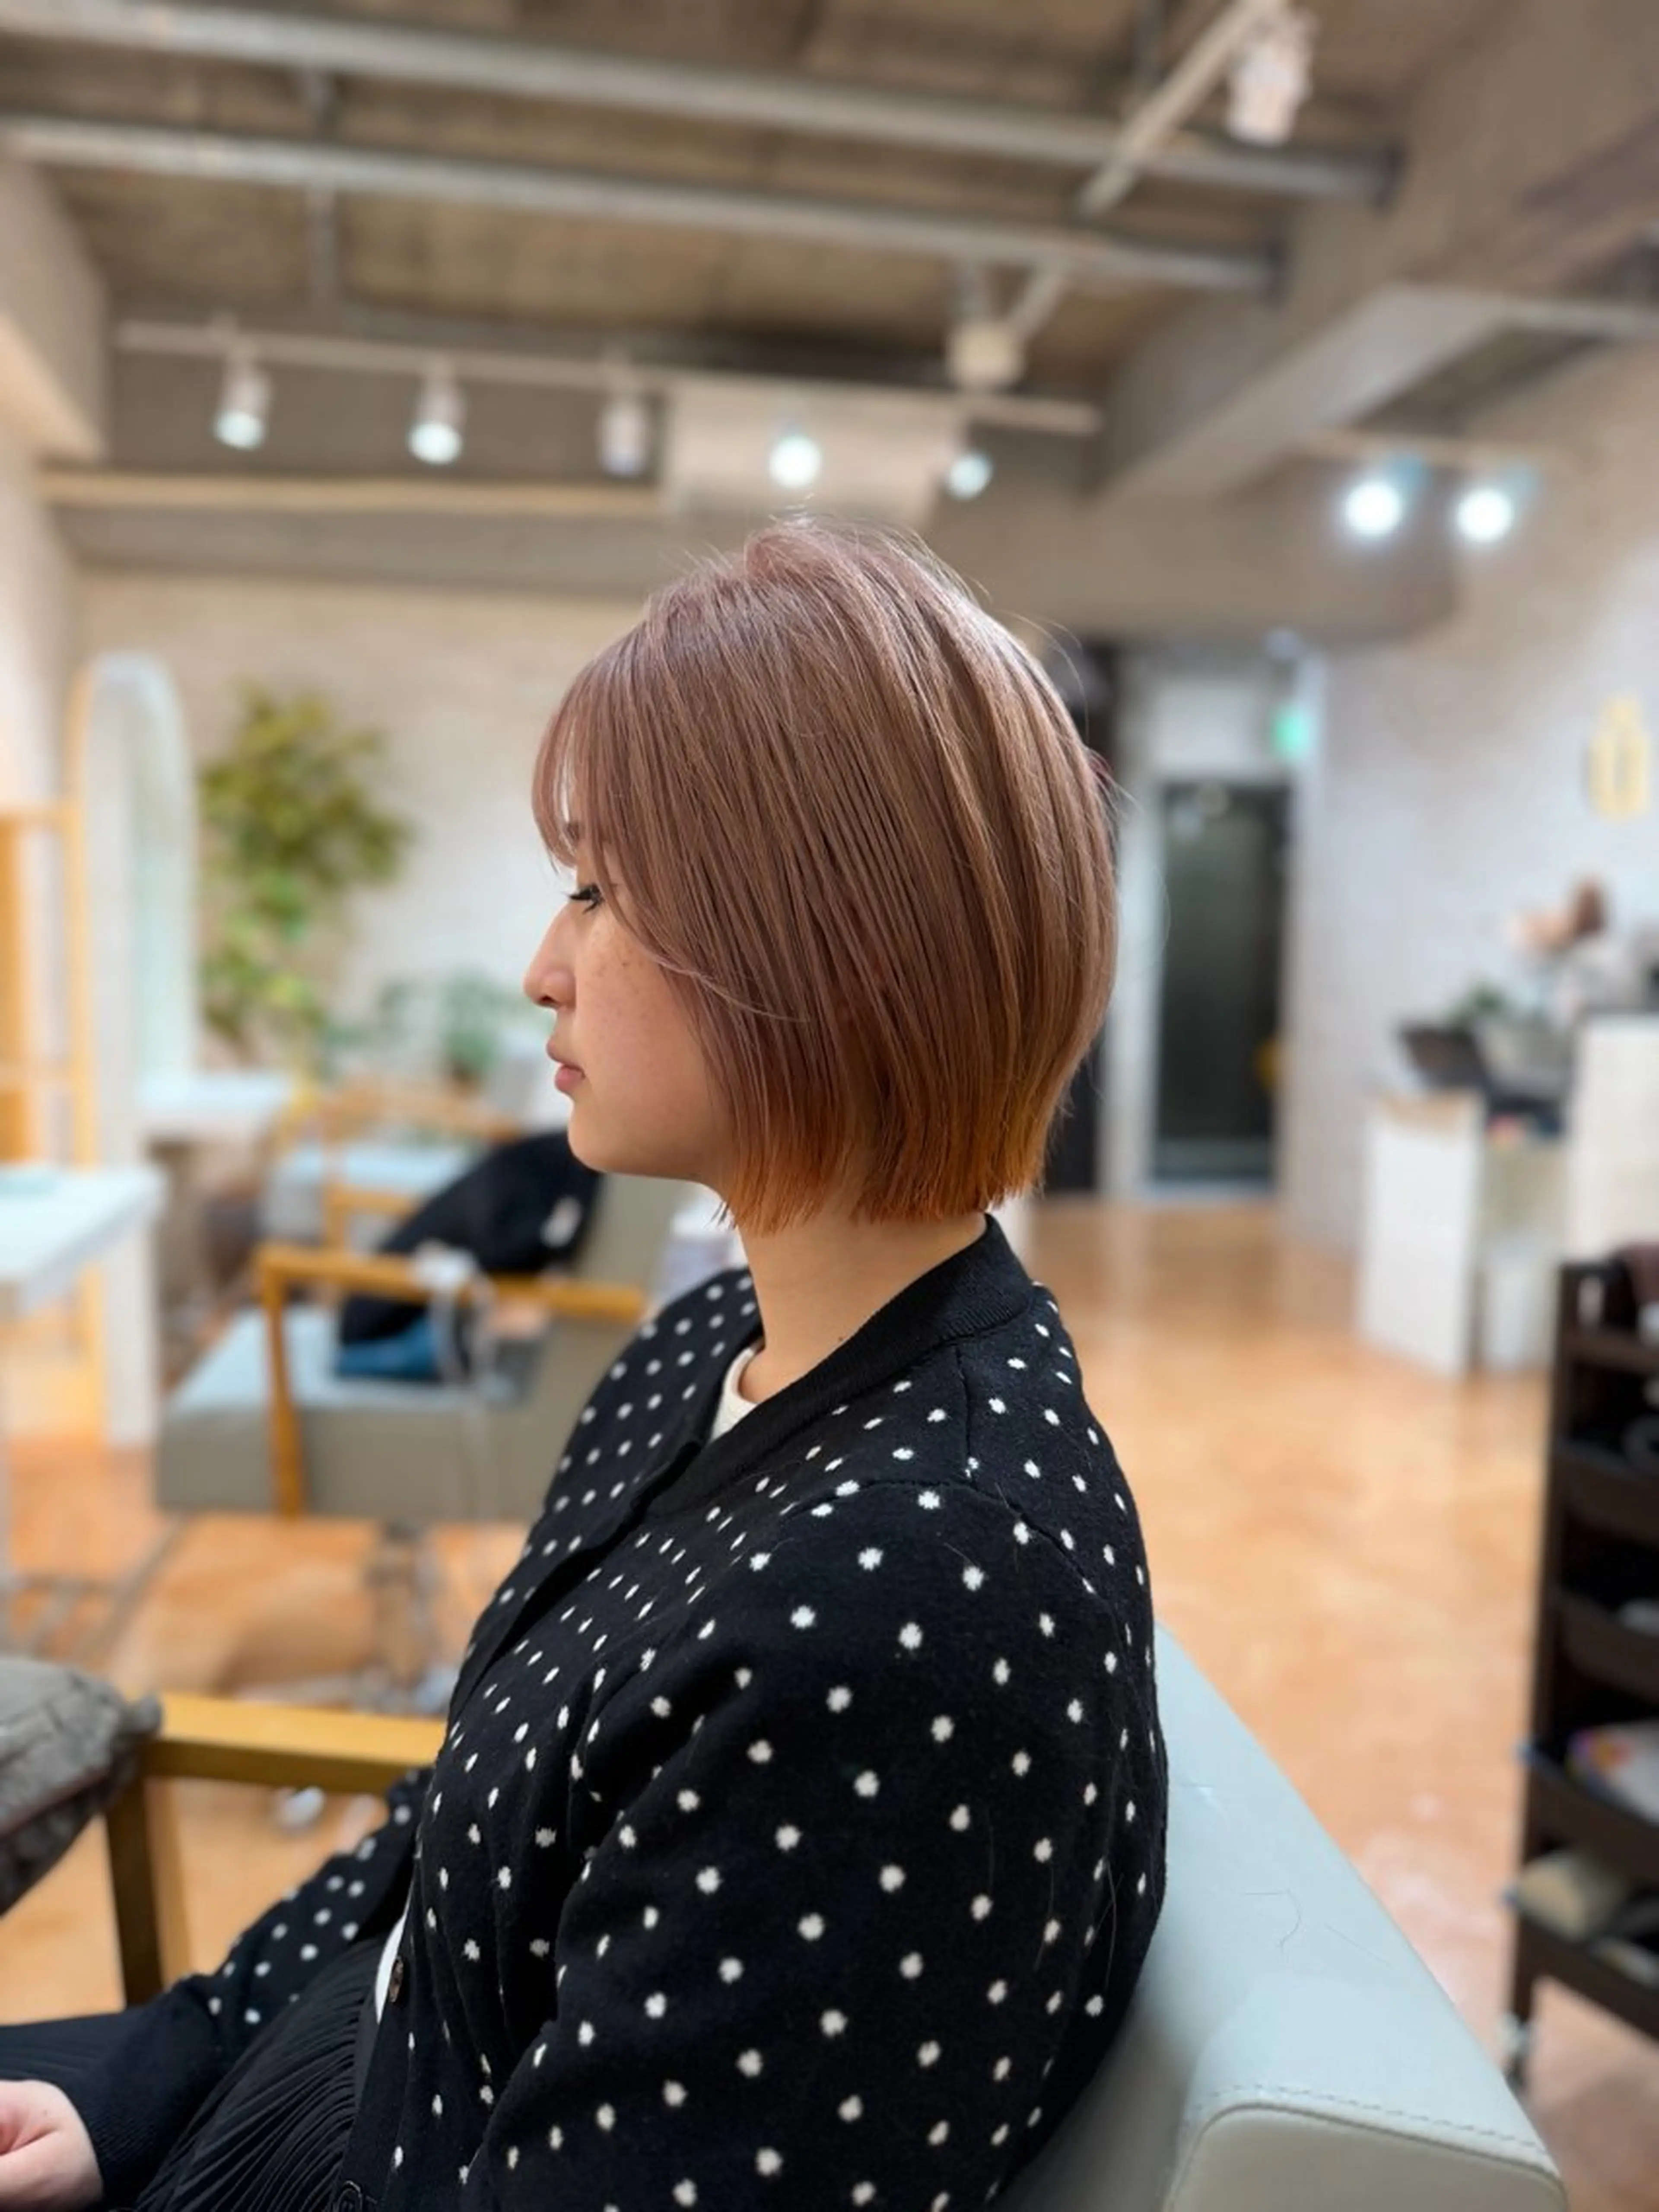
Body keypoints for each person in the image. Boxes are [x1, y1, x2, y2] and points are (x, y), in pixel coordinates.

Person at [0, 520, 1166, 2210]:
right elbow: (440, 1849)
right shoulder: (710, 1345)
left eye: (601, 889)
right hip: (296, 2078)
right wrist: (158, 2063)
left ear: (815, 947)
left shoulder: (915, 1601)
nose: (545, 964)